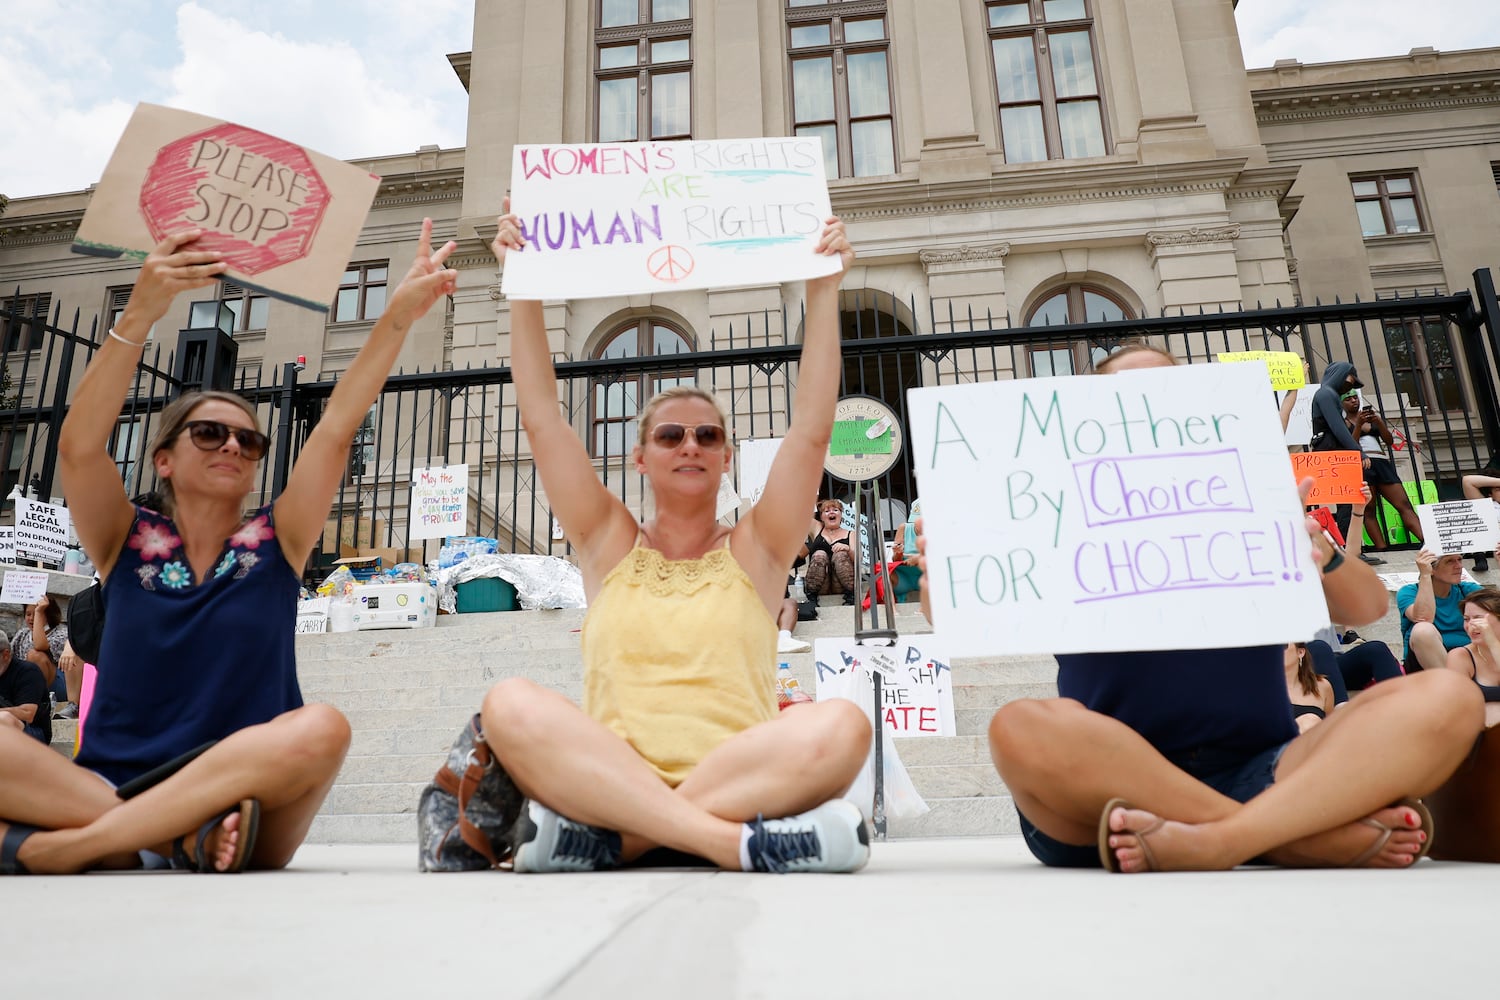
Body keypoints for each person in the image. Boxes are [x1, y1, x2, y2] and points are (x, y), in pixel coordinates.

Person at [0, 219, 458, 875]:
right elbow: (78, 444)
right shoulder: (126, 541)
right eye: (210, 433)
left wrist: (400, 313)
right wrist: (143, 309)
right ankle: (168, 838)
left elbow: (336, 427)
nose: (234, 447)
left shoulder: (278, 539)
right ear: (163, 459)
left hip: (244, 807)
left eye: (250, 441)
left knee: (323, 726)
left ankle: (73, 846)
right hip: (109, 787)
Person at [957, 345, 1483, 873]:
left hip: (1265, 768)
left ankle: (1225, 840)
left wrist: (1320, 554)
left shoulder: (1248, 500)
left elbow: (1367, 606)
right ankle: (1280, 838)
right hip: (1107, 786)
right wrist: (952, 562)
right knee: (1018, 725)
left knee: (1450, 696)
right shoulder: (1052, 517)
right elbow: (960, 604)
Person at [475, 201, 870, 874]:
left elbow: (810, 429)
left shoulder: (760, 548)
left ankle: (623, 841)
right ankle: (726, 844)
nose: (690, 444)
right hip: (615, 771)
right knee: (508, 702)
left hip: (733, 774)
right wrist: (523, 286)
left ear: (726, 457)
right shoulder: (607, 540)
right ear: (641, 457)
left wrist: (823, 288)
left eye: (707, 435)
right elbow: (542, 417)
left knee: (845, 726)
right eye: (670, 434)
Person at [1343, 392, 1422, 557]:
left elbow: (1389, 441)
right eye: (1348, 399)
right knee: (1369, 510)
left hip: (1381, 463)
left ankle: (1427, 542)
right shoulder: (1343, 422)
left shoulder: (1371, 420)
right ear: (1341, 404)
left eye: (1355, 397)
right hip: (1361, 464)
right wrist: (1358, 425)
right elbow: (1350, 444)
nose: (1353, 400)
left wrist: (1378, 421)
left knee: (1404, 504)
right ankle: (1382, 550)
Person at [1399, 550, 1484, 673]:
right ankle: (1453, 686)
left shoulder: (1467, 589)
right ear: (1432, 568)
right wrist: (1425, 575)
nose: (1459, 566)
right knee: (1422, 630)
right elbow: (1424, 617)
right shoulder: (1409, 592)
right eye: (1450, 561)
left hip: (1467, 657)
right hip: (1425, 665)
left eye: (1459, 559)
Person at [1309, 362, 1364, 538]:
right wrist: (1357, 450)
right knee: (1345, 499)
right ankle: (1347, 548)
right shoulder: (1325, 394)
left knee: (1347, 500)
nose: (1349, 387)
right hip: (1330, 450)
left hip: (1335, 450)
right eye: (1349, 382)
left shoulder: (1329, 395)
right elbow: (1337, 427)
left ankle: (1349, 548)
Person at [1447, 588, 1500, 729]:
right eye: (1466, 619)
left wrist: (1492, 642)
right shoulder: (1460, 656)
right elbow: (1459, 707)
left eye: (1478, 618)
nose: (1471, 625)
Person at [11, 596, 68, 702]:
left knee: (35, 656)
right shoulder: (22, 634)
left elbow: (40, 646)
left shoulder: (62, 633)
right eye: (28, 614)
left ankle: (37, 703)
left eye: (38, 614)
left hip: (57, 686)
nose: (32, 618)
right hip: (25, 685)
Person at [0, 632, 49, 744]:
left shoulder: (28, 672)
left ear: (6, 655)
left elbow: (27, 714)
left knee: (4, 718)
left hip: (33, 733)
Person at [805, 498, 856, 605]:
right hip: (821, 583)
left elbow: (857, 560)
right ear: (822, 517)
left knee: (840, 554)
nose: (831, 512)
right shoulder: (817, 528)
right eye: (827, 511)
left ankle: (851, 597)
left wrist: (847, 548)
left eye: (835, 510)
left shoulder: (851, 533)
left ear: (841, 515)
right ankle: (811, 598)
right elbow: (801, 515)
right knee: (820, 554)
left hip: (842, 584)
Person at [1285, 643, 1334, 733]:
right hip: (1277, 745)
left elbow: (1330, 729)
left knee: (1311, 722)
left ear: (1300, 652)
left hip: (1315, 743)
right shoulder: (1260, 689)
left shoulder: (1322, 686)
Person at [1461, 473, 1500, 572]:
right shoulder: (1488, 505)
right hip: (1491, 541)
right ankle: (1480, 557)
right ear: (1490, 494)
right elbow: (1467, 481)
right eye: (1498, 490)